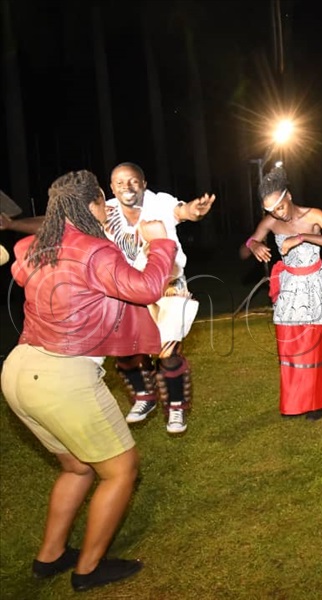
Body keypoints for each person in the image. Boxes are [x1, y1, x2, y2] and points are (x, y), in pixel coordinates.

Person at [1, 170, 176, 591]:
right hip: (64, 378)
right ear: (93, 205)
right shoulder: (95, 252)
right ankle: (89, 569)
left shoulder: (33, 247)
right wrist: (161, 242)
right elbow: (148, 287)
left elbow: (22, 271)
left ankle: (51, 557)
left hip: (18, 370)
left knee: (77, 468)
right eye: (102, 201)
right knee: (120, 471)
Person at [105, 162, 214, 435]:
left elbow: (183, 211)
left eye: (132, 181)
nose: (126, 187)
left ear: (143, 183)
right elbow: (65, 220)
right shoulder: (105, 210)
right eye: (119, 183)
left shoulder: (159, 203)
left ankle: (176, 405)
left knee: (168, 352)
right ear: (111, 188)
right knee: (126, 351)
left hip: (168, 284)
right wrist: (12, 223)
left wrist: (194, 211)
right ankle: (145, 397)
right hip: (129, 288)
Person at [240, 165, 322, 419]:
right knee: (289, 346)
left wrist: (303, 237)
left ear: (288, 195)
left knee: (312, 345)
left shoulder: (314, 215)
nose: (276, 214)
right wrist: (254, 244)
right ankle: (295, 401)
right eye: (270, 211)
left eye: (279, 207)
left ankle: (315, 401)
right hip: (289, 287)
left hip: (314, 285)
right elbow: (247, 245)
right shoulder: (271, 222)